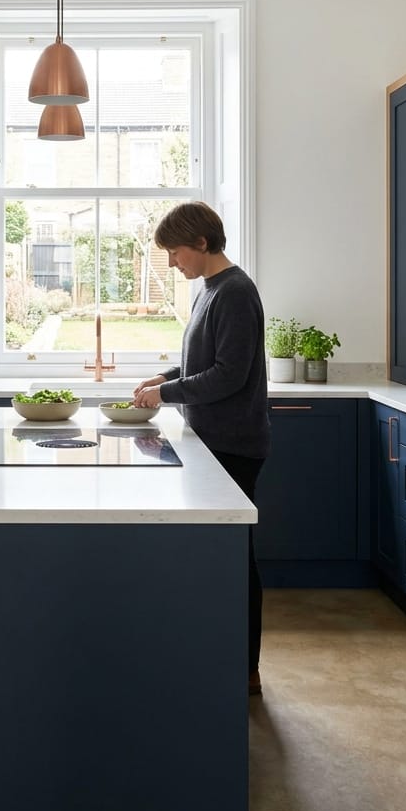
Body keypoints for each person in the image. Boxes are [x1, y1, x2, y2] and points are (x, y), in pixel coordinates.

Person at [133, 201, 270, 696]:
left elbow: (230, 376)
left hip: (233, 446)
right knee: (220, 552)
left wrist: (165, 394)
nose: (172, 262)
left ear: (203, 243)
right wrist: (165, 376)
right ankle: (219, 653)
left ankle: (245, 669)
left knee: (234, 555)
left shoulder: (234, 292)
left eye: (174, 252)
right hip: (211, 442)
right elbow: (204, 362)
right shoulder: (209, 291)